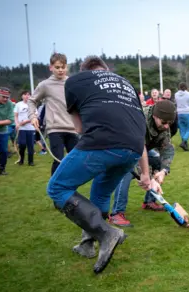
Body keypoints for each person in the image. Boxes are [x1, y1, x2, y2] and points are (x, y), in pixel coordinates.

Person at [46, 56, 153, 274]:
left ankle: (106, 233)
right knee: (101, 195)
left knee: (57, 187)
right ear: (106, 70)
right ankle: (88, 245)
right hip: (133, 148)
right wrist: (145, 173)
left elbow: (78, 128)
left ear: (85, 71)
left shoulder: (76, 81)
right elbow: (139, 130)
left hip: (102, 142)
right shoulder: (127, 84)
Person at [110, 100, 176, 226]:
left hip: (142, 147)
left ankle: (149, 202)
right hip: (123, 146)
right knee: (127, 171)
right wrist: (146, 176)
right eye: (164, 122)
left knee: (157, 161)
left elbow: (167, 148)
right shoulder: (139, 118)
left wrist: (163, 171)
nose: (167, 126)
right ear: (156, 116)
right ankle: (116, 213)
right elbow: (138, 151)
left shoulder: (163, 123)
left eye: (170, 123)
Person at [28, 53, 79, 176]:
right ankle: (55, 188)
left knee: (76, 161)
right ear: (51, 67)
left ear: (67, 67)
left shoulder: (73, 83)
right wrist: (33, 116)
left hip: (73, 128)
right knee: (59, 160)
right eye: (57, 67)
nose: (60, 70)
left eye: (63, 67)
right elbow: (31, 100)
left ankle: (69, 187)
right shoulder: (45, 85)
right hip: (55, 128)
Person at [14, 90, 37, 166]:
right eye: (25, 94)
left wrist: (26, 121)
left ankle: (31, 161)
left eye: (28, 94)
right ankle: (21, 160)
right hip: (21, 129)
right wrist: (17, 124)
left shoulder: (32, 105)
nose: (27, 96)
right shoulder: (18, 105)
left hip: (31, 128)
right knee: (22, 144)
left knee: (30, 145)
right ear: (22, 96)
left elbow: (35, 115)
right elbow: (16, 115)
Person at [175, 83, 189, 151]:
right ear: (186, 87)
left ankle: (185, 145)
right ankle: (183, 142)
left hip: (179, 113)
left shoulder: (176, 94)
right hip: (187, 112)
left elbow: (176, 103)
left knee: (182, 129)